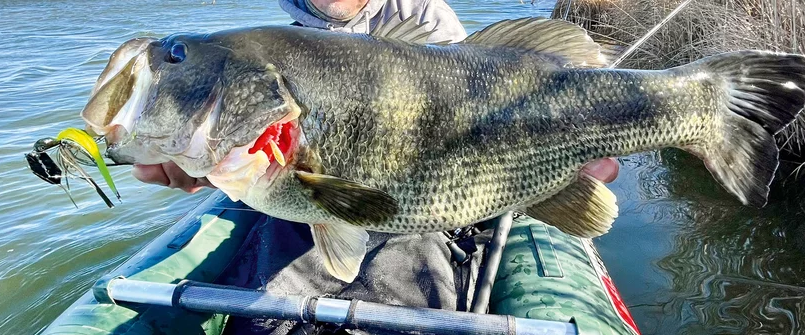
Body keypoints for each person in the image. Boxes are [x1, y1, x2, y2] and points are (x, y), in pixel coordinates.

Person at [132, 0, 619, 191]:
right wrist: (209, 167)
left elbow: (469, 98)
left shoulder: (427, 17)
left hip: (444, 186)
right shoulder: (275, 47)